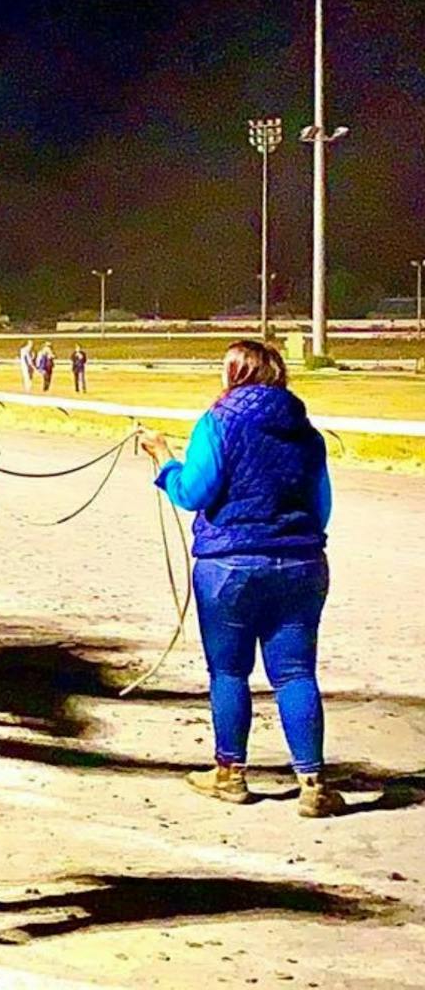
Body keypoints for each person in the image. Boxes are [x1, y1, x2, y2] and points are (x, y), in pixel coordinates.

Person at [138, 340, 343, 818]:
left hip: (229, 565)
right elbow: (322, 506)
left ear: (234, 374)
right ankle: (312, 781)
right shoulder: (308, 433)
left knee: (229, 672)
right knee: (295, 673)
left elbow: (192, 491)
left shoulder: (218, 421)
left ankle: (230, 773)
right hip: (300, 563)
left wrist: (164, 458)